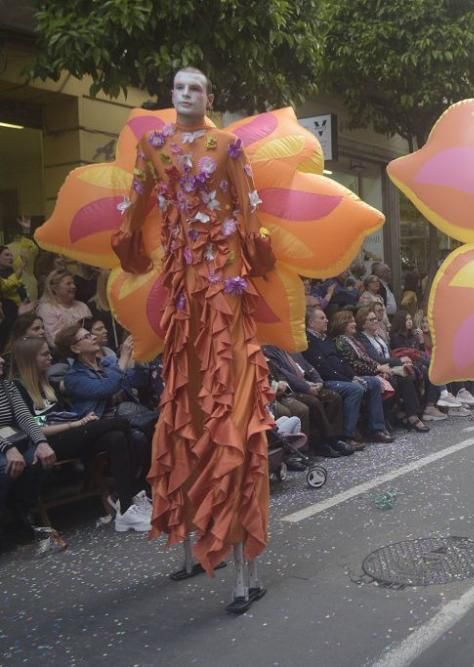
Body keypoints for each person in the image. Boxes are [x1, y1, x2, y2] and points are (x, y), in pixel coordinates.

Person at [110, 66, 276, 599]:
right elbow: (136, 204)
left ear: (210, 96)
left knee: (229, 395)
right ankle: (194, 534)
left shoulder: (227, 144)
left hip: (223, 281)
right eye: (179, 87)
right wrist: (129, 250)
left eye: (196, 88)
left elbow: (248, 208)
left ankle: (236, 547)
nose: (186, 94)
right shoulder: (152, 146)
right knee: (187, 400)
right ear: (170, 95)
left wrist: (259, 257)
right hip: (183, 286)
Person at [10, 336, 150, 532]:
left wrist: (75, 424)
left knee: (115, 437)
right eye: (44, 354)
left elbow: (61, 414)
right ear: (29, 359)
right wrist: (75, 424)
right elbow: (33, 426)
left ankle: (126, 507)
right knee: (121, 423)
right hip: (47, 442)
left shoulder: (48, 383)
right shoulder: (17, 389)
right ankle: (130, 497)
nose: (50, 358)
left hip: (72, 431)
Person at [302, 306, 393, 444]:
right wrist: (350, 380)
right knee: (355, 389)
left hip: (343, 377)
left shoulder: (326, 339)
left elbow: (342, 362)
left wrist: (353, 377)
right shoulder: (308, 342)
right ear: (311, 323)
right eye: (322, 318)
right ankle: (348, 435)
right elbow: (323, 369)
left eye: (326, 317)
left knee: (374, 382)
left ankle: (377, 429)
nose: (326, 320)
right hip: (326, 381)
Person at [334, 309, 429, 433]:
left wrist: (392, 364)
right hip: (371, 370)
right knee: (393, 380)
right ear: (363, 323)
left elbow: (387, 353)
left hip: (382, 367)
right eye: (371, 319)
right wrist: (388, 365)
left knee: (407, 374)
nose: (376, 321)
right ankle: (392, 416)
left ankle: (411, 415)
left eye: (376, 319)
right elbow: (372, 358)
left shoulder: (377, 336)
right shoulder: (358, 338)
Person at [262, 344, 358, 457]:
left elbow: (309, 367)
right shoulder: (269, 351)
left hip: (305, 383)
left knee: (333, 398)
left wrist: (319, 381)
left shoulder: (291, 348)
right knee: (311, 403)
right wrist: (306, 387)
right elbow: (285, 376)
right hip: (292, 389)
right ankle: (322, 442)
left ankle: (334, 438)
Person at [0, 353, 54, 547]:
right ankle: (7, 519)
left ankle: (20, 512)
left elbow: (24, 417)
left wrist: (41, 442)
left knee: (38, 458)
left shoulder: (7, 385)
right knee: (5, 467)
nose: (2, 361)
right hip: (5, 445)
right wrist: (8, 448)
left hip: (13, 439)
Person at [36, 269, 92, 345]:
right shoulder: (46, 309)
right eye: (68, 284)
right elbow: (53, 340)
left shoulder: (82, 306)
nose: (73, 286)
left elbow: (92, 330)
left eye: (73, 283)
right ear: (55, 288)